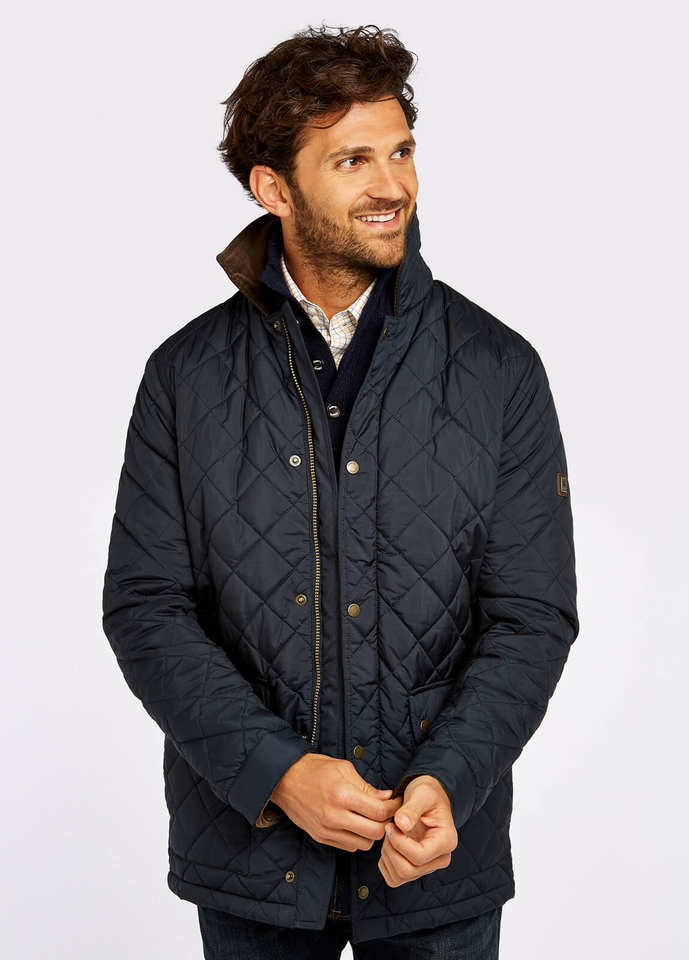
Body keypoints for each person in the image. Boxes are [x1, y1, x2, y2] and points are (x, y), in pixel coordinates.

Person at [102, 23, 579, 960]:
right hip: (252, 858)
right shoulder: (184, 376)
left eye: (400, 151)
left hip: (431, 857)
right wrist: (277, 774)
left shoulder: (498, 370)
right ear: (272, 188)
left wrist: (449, 779)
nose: (392, 184)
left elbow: (531, 615)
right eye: (353, 160)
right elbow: (146, 607)